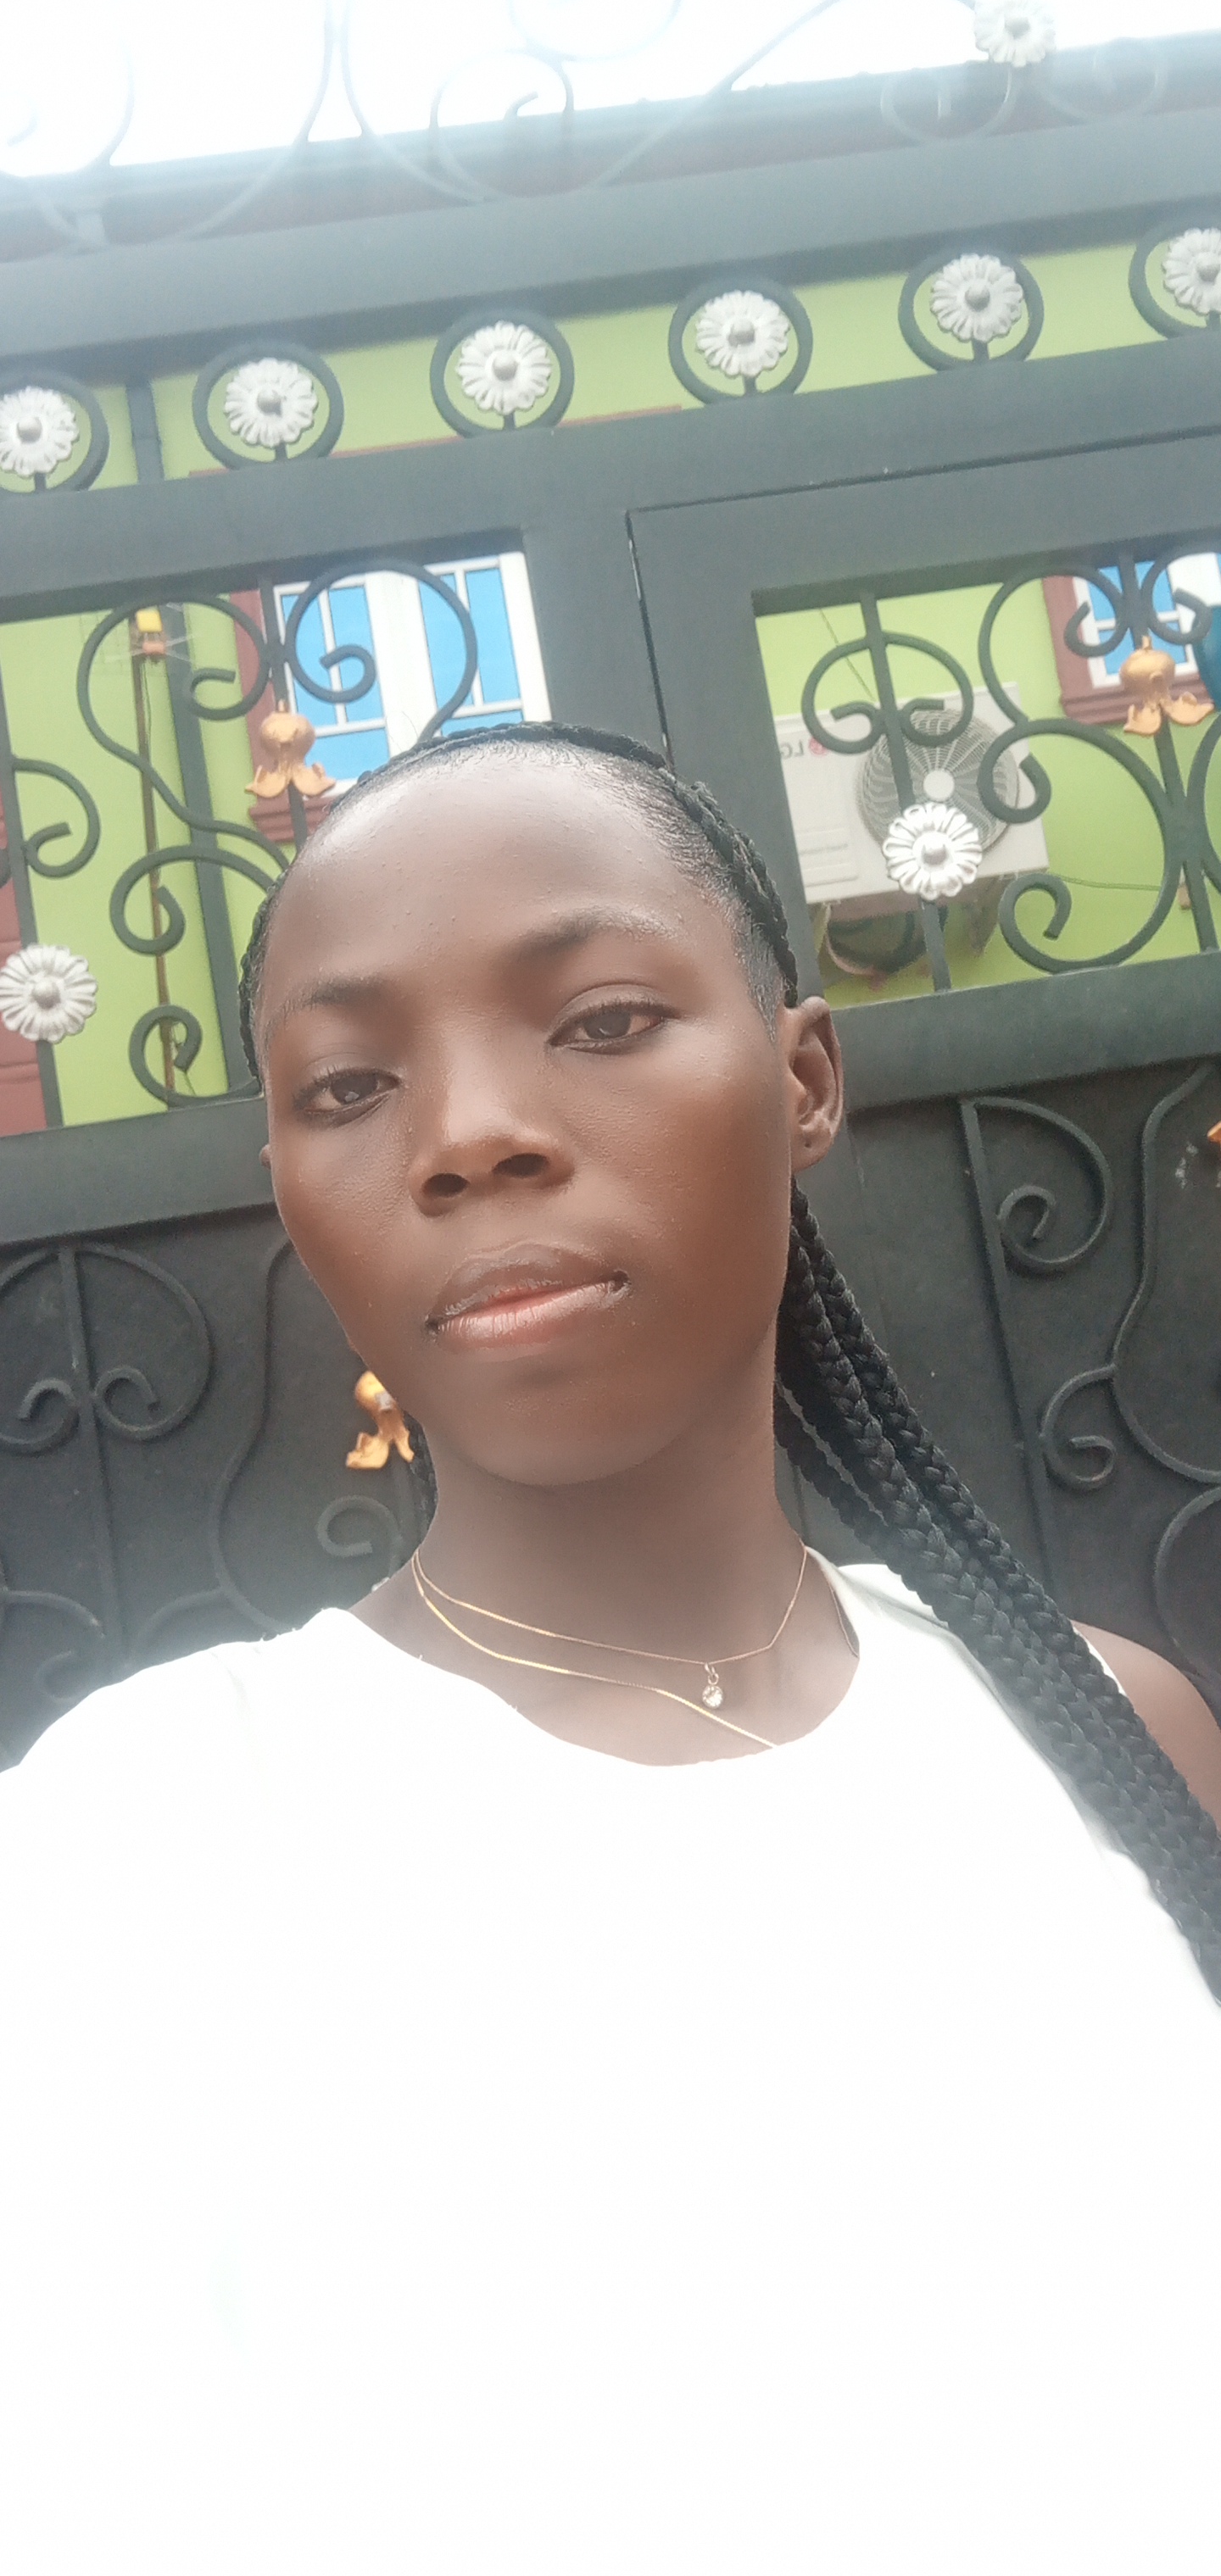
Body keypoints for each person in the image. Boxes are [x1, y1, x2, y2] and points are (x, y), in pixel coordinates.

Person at [2, 720, 1220, 2576]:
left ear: (803, 1080)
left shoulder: (1107, 1724)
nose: (467, 1134)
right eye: (349, 1085)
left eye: (600, 1020)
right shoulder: (136, 1839)